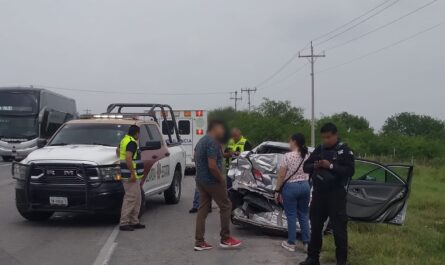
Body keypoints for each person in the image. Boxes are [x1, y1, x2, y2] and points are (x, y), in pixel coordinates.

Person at [300, 123, 355, 265]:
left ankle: (341, 261)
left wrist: (329, 165)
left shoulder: (344, 151)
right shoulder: (320, 149)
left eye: (328, 137)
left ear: (335, 135)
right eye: (323, 137)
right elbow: (306, 167)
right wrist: (315, 166)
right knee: (316, 227)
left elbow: (349, 171)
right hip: (319, 194)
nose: (326, 140)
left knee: (339, 229)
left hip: (336, 194)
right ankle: (313, 258)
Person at [194, 120, 242, 251]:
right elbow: (212, 165)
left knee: (202, 209)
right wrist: (220, 178)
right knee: (226, 206)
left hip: (201, 180)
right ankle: (225, 238)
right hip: (213, 181)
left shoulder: (202, 140)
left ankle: (199, 241)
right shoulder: (213, 142)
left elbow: (197, 157)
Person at [274, 133, 310, 253]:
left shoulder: (287, 156)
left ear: (294, 142)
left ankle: (291, 242)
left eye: (290, 141)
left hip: (291, 188)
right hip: (305, 186)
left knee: (291, 215)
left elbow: (281, 175)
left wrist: (277, 190)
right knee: (304, 214)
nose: (289, 143)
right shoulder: (307, 155)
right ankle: (307, 243)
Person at [118, 125, 146, 231]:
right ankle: (124, 222)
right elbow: (128, 158)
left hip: (130, 175)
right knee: (130, 199)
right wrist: (132, 173)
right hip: (130, 176)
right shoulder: (132, 143)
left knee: (137, 199)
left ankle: (134, 221)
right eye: (139, 134)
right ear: (137, 133)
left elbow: (118, 151)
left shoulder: (124, 140)